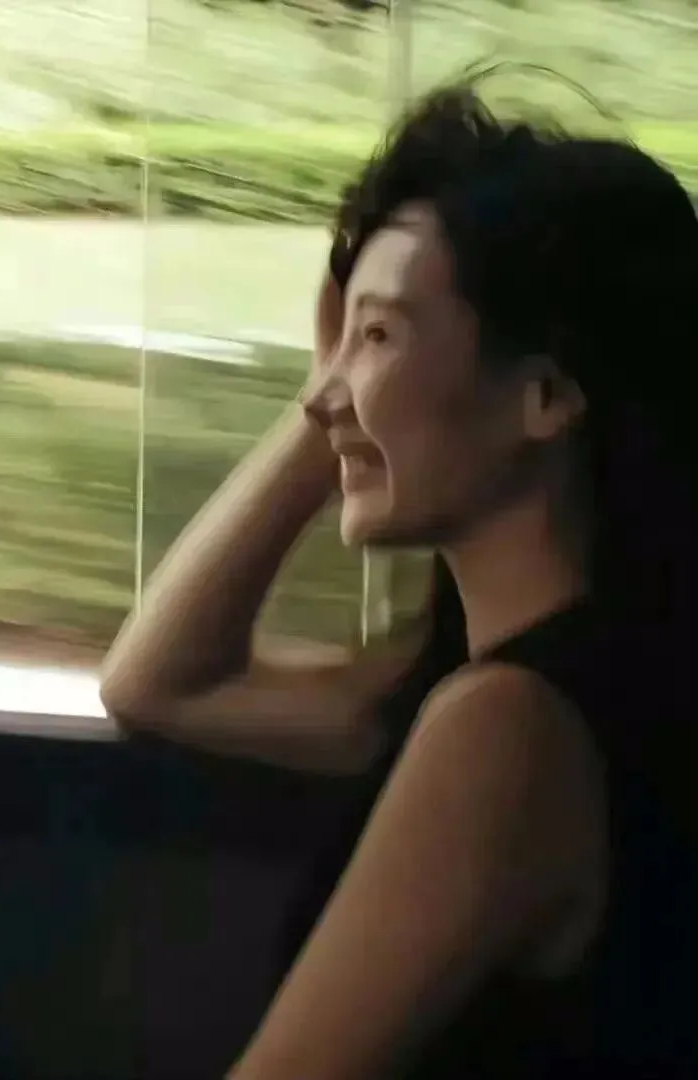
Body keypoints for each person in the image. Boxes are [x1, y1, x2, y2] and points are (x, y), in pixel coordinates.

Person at [100, 79, 698, 1078]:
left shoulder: (507, 729)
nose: (322, 396)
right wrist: (340, 383)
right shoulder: (549, 682)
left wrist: (341, 411)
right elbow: (158, 683)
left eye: (377, 335)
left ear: (546, 394)